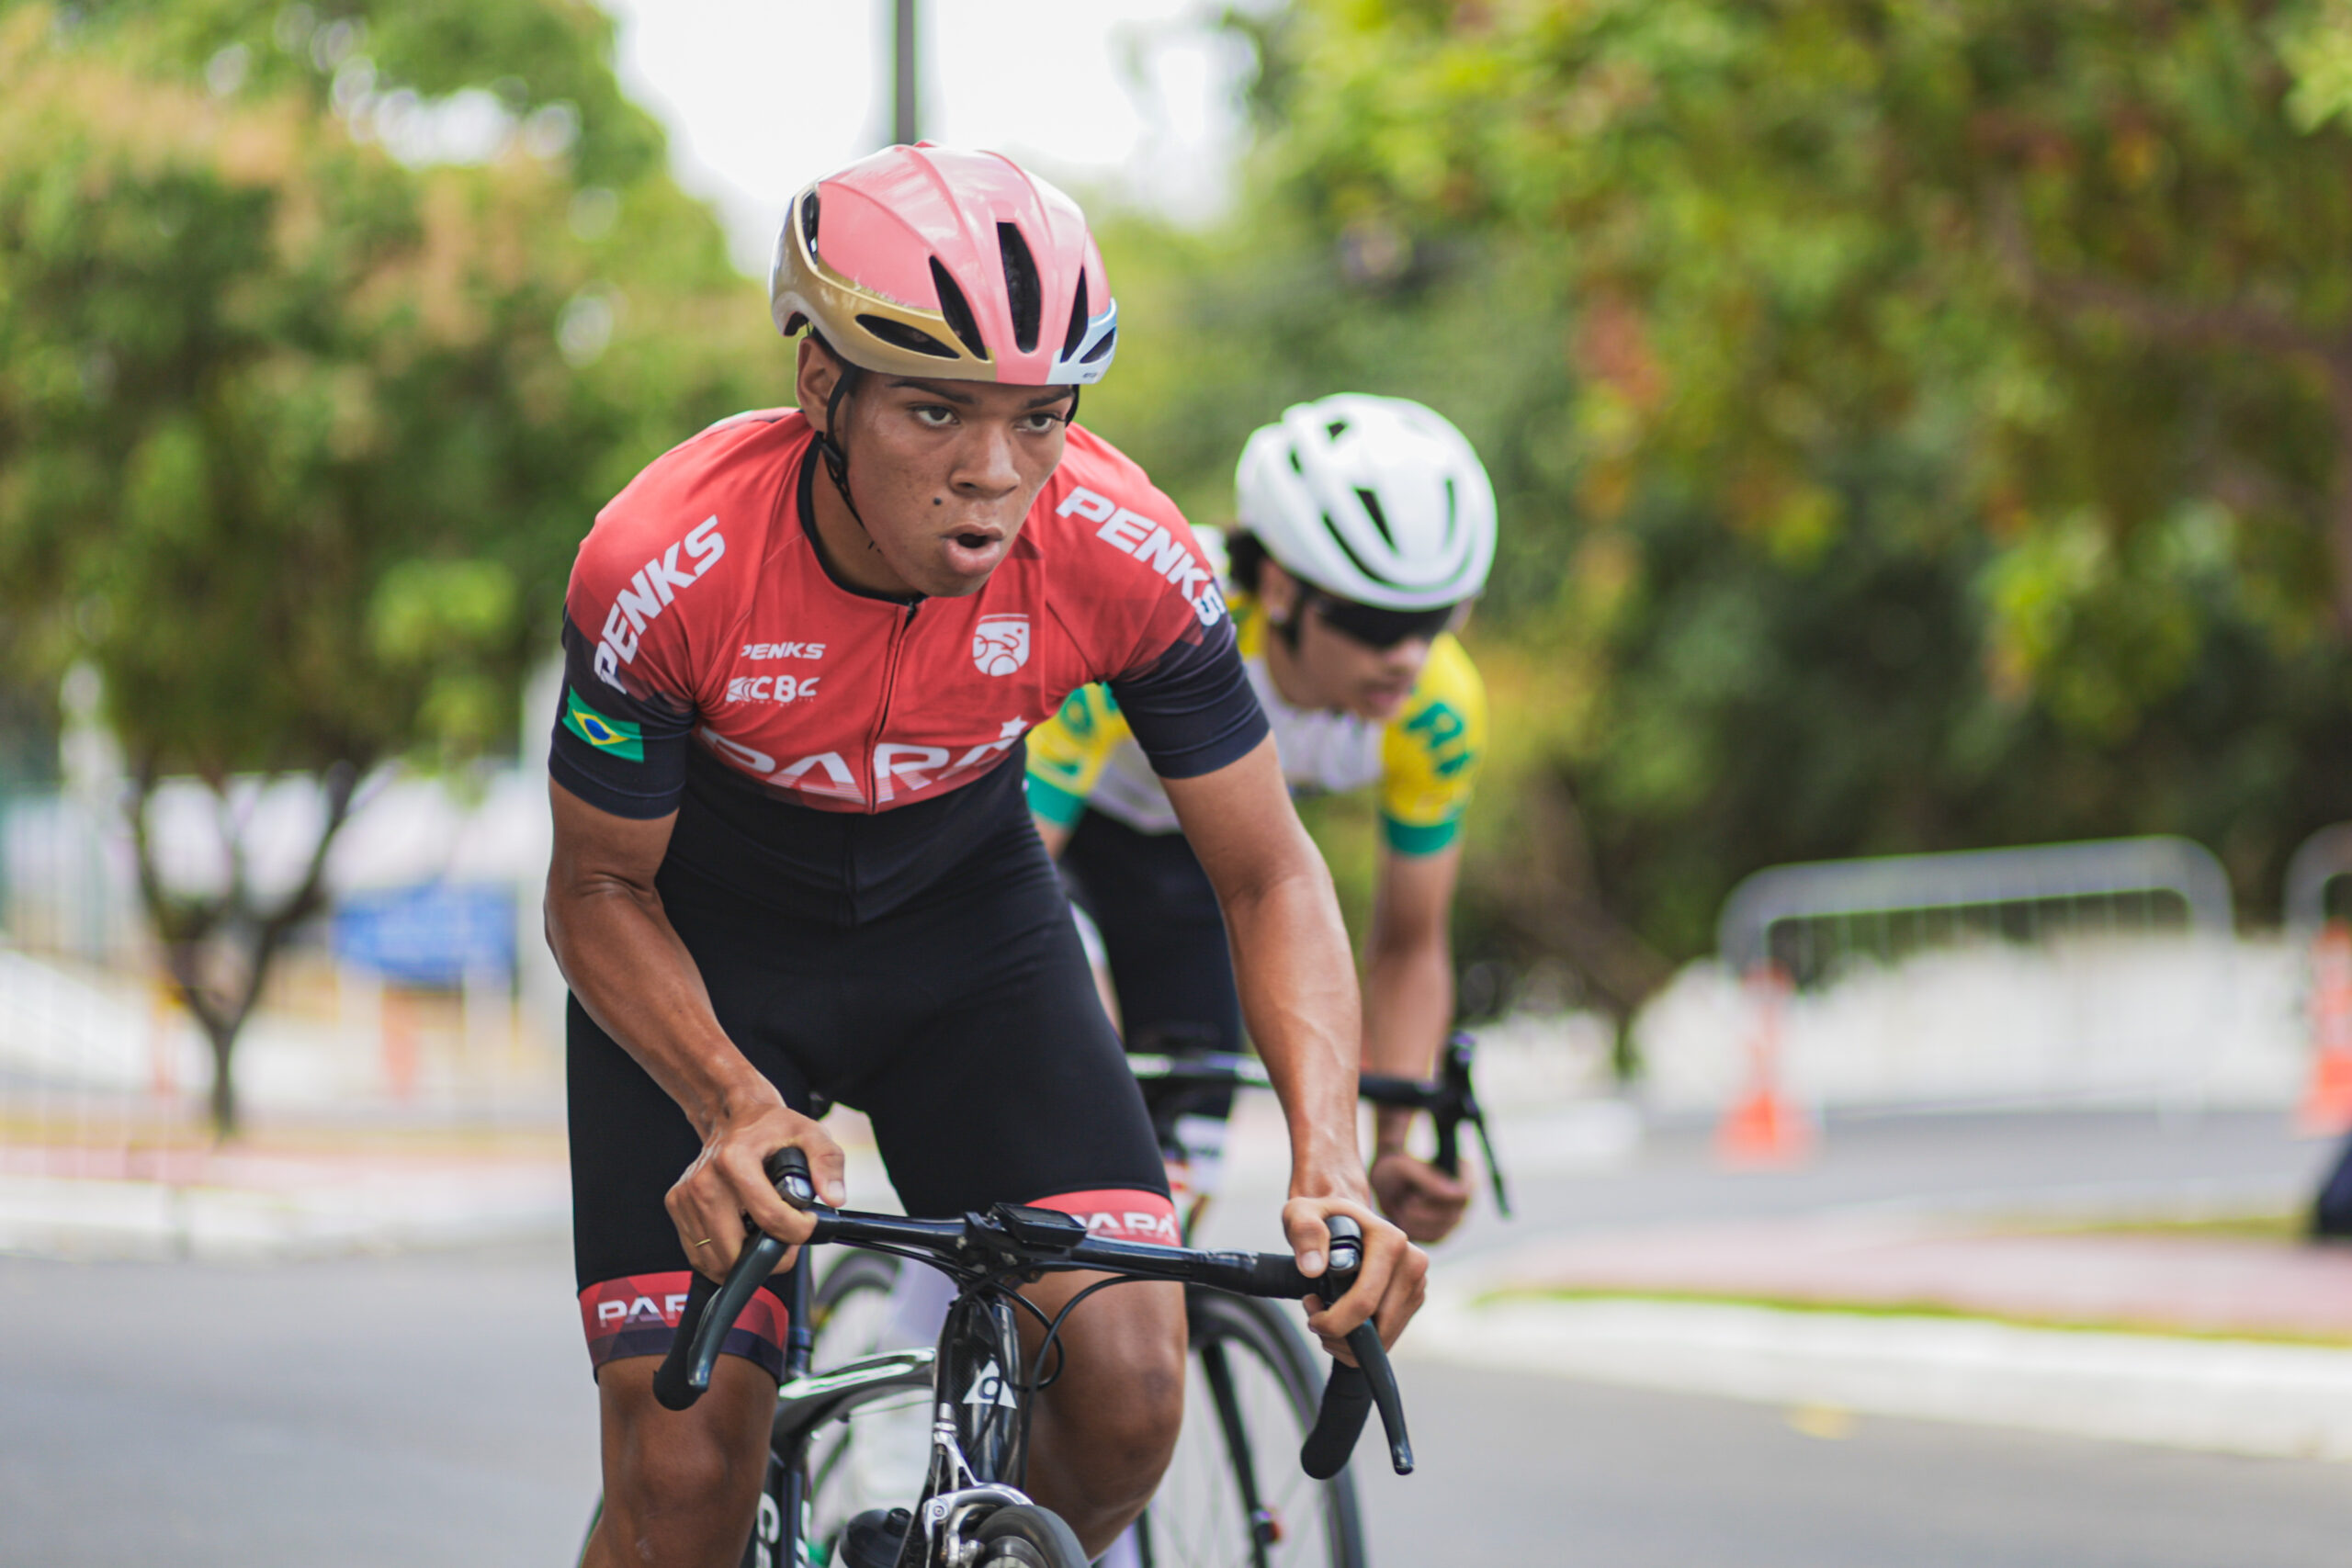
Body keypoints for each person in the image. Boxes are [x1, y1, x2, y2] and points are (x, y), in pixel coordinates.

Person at [542, 144, 1425, 1568]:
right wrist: (725, 1099)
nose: (994, 472)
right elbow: (592, 890)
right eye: (937, 410)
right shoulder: (666, 559)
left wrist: (1334, 1167)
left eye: (1043, 418)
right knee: (687, 1474)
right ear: (822, 387)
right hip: (707, 950)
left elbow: (1271, 873)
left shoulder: (1123, 550)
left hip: (971, 934)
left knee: (1136, 1392)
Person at [1026, 394, 1494, 1243]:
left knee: (1160, 1220)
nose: (1407, 658)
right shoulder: (1155, 610)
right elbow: (1014, 872)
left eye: (1438, 619)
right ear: (1278, 585)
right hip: (1061, 845)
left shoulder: (1438, 707)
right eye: (1373, 621)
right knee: (1066, 1103)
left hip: (1207, 870)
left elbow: (1410, 941)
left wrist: (1395, 1141)